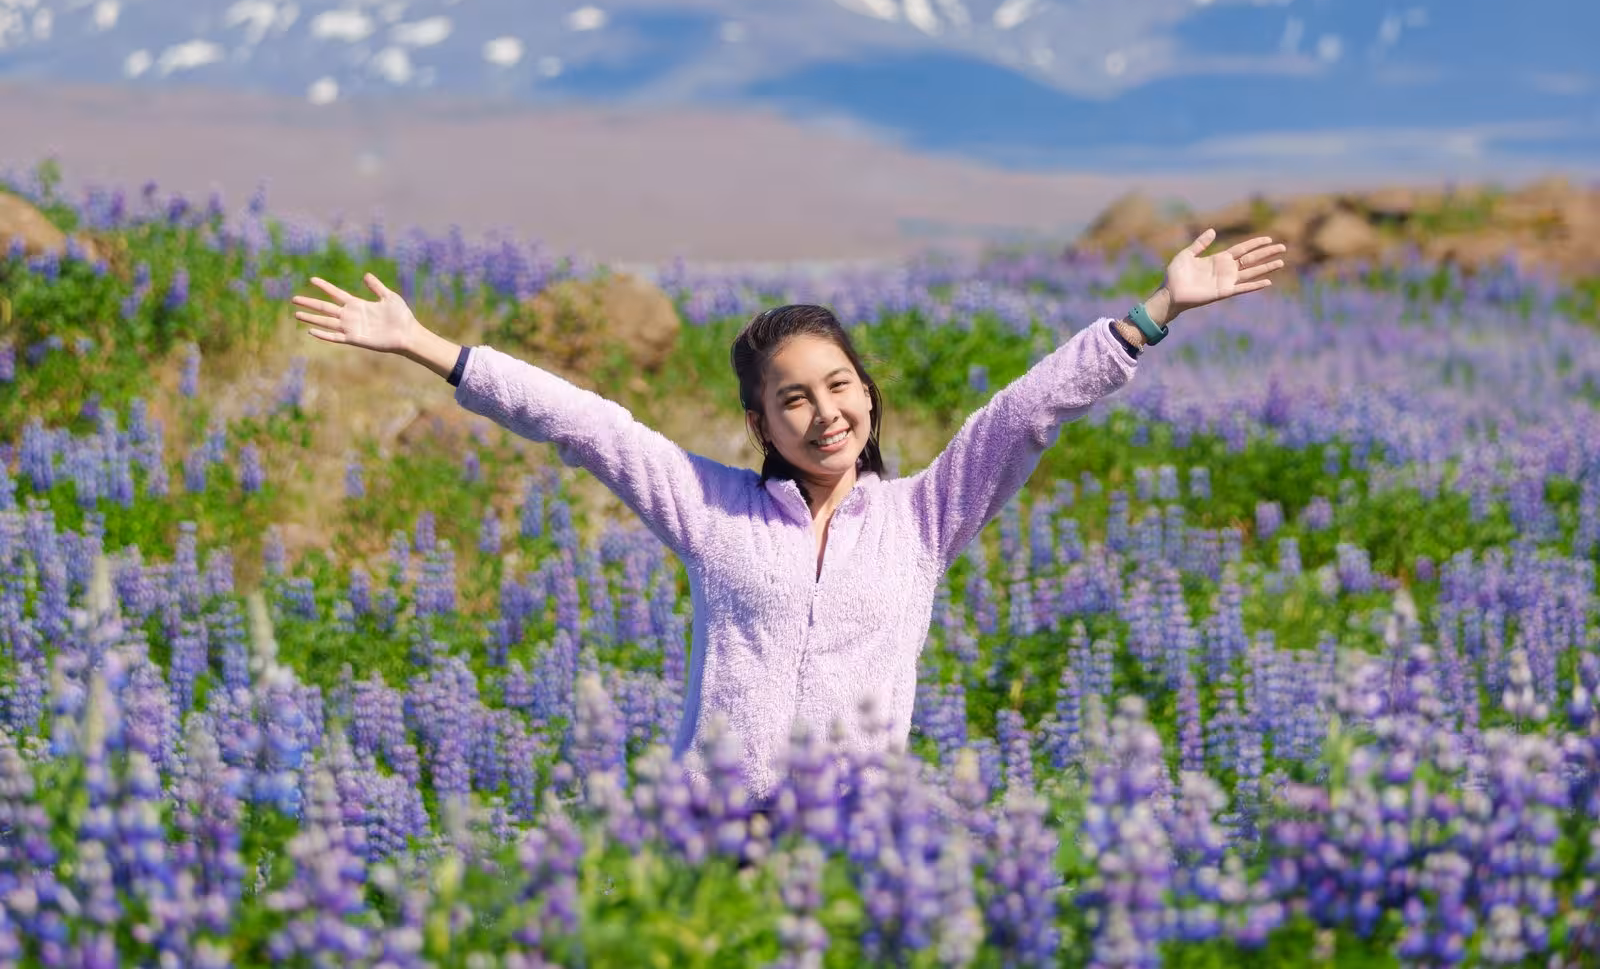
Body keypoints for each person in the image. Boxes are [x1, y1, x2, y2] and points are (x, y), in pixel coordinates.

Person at [290, 229, 1286, 809]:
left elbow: (1026, 411)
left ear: (868, 392)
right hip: (710, 831)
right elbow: (585, 424)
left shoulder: (923, 516)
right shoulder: (711, 508)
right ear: (759, 419)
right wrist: (428, 345)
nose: (826, 414)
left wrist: (1151, 312)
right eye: (794, 398)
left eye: (840, 385)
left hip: (852, 842)